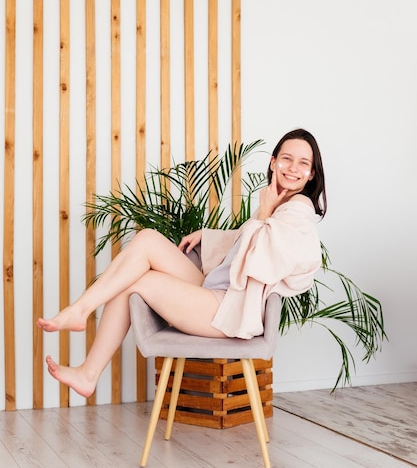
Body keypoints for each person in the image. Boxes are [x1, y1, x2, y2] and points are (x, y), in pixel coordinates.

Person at [37, 128, 327, 398]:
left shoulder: (298, 211)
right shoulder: (282, 203)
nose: (292, 168)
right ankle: (81, 311)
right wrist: (210, 235)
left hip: (229, 308)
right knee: (149, 238)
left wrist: (263, 211)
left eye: (303, 163)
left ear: (312, 174)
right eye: (286, 159)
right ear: (273, 162)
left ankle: (89, 369)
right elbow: (246, 242)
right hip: (218, 290)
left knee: (140, 281)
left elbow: (263, 260)